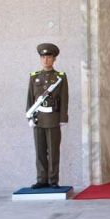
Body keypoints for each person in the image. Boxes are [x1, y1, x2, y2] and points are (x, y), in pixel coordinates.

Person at [26, 43, 68, 189]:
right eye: (43, 57)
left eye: (48, 57)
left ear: (54, 59)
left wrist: (63, 118)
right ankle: (41, 179)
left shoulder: (60, 77)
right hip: (38, 118)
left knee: (53, 151)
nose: (45, 60)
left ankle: (53, 180)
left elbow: (64, 98)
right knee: (40, 150)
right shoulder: (34, 77)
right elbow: (30, 98)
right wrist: (30, 116)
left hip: (53, 118)